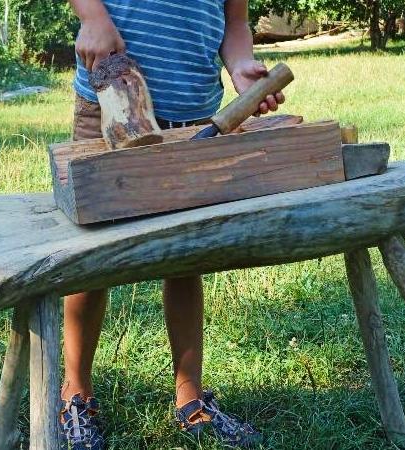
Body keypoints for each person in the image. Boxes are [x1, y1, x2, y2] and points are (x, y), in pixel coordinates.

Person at [62, 0, 284, 448]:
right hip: (110, 106)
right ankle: (76, 395)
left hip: (196, 119)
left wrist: (241, 66)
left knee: (185, 256)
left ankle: (190, 396)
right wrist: (93, 17)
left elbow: (234, 23)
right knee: (91, 256)